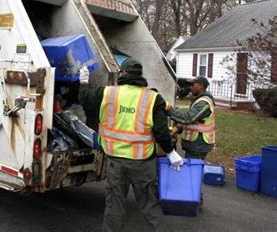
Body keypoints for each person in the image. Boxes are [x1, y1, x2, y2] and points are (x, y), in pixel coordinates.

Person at [78, 58, 183, 232]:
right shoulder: (153, 98)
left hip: (115, 163)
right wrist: (171, 153)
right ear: (141, 75)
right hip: (143, 163)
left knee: (115, 207)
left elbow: (85, 100)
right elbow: (161, 131)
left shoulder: (107, 93)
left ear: (122, 74)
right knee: (150, 206)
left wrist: (83, 82)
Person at [166, 76, 216, 160]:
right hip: (195, 145)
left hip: (198, 145)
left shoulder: (204, 102)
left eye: (193, 85)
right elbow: (194, 122)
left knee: (194, 170)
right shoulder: (199, 100)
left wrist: (169, 109)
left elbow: (188, 118)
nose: (190, 87)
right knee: (192, 169)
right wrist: (179, 128)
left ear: (201, 85)